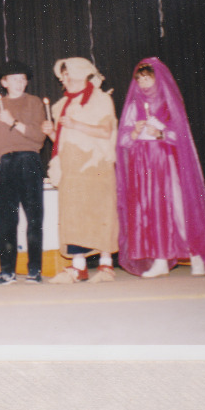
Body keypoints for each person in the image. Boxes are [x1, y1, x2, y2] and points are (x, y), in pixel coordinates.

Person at [116, 58, 205, 278]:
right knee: (150, 211)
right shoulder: (134, 105)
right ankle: (160, 259)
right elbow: (123, 139)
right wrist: (135, 132)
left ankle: (195, 256)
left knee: (177, 209)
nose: (143, 84)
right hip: (142, 164)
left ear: (157, 79)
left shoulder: (167, 101)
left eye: (147, 78)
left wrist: (161, 133)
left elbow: (181, 135)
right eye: (139, 79)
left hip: (165, 161)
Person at [42, 58, 119, 283]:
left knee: (101, 212)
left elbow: (105, 132)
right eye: (62, 75)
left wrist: (76, 124)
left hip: (96, 166)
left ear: (81, 73)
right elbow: (63, 141)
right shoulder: (61, 105)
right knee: (73, 214)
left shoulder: (101, 99)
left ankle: (106, 265)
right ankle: (78, 267)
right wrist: (51, 133)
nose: (63, 79)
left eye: (67, 74)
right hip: (72, 169)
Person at [0, 62, 47, 285]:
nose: (19, 83)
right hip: (5, 163)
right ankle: (7, 271)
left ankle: (34, 269)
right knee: (6, 220)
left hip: (28, 159)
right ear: (4, 82)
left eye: (22, 79)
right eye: (14, 79)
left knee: (34, 218)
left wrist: (13, 122)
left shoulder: (34, 102)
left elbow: (39, 137)